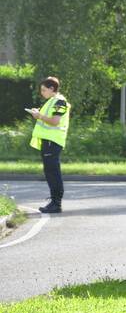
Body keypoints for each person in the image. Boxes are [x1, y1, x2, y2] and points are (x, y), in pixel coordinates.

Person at [27, 76, 70, 214]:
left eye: (44, 90)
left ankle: (56, 204)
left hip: (53, 141)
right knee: (50, 172)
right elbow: (48, 118)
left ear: (52, 89)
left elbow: (55, 121)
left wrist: (39, 116)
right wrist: (38, 114)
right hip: (49, 141)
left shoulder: (59, 102)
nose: (42, 93)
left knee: (53, 172)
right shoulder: (52, 101)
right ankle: (54, 202)